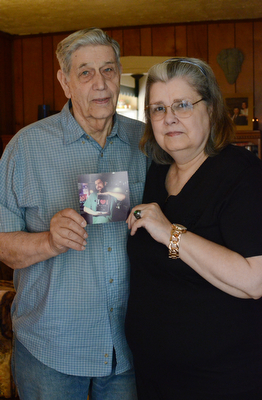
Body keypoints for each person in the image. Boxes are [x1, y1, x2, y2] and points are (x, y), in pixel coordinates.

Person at [0, 28, 150, 400]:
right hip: (52, 348)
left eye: (109, 70)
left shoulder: (146, 142)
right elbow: (2, 246)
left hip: (130, 347)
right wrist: (49, 241)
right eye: (85, 73)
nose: (100, 84)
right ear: (64, 82)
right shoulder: (25, 148)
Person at [125, 57, 262, 399]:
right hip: (153, 374)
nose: (168, 117)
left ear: (212, 109)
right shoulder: (156, 172)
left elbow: (255, 281)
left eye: (182, 105)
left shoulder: (243, 174)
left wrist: (170, 232)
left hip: (221, 379)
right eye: (157, 108)